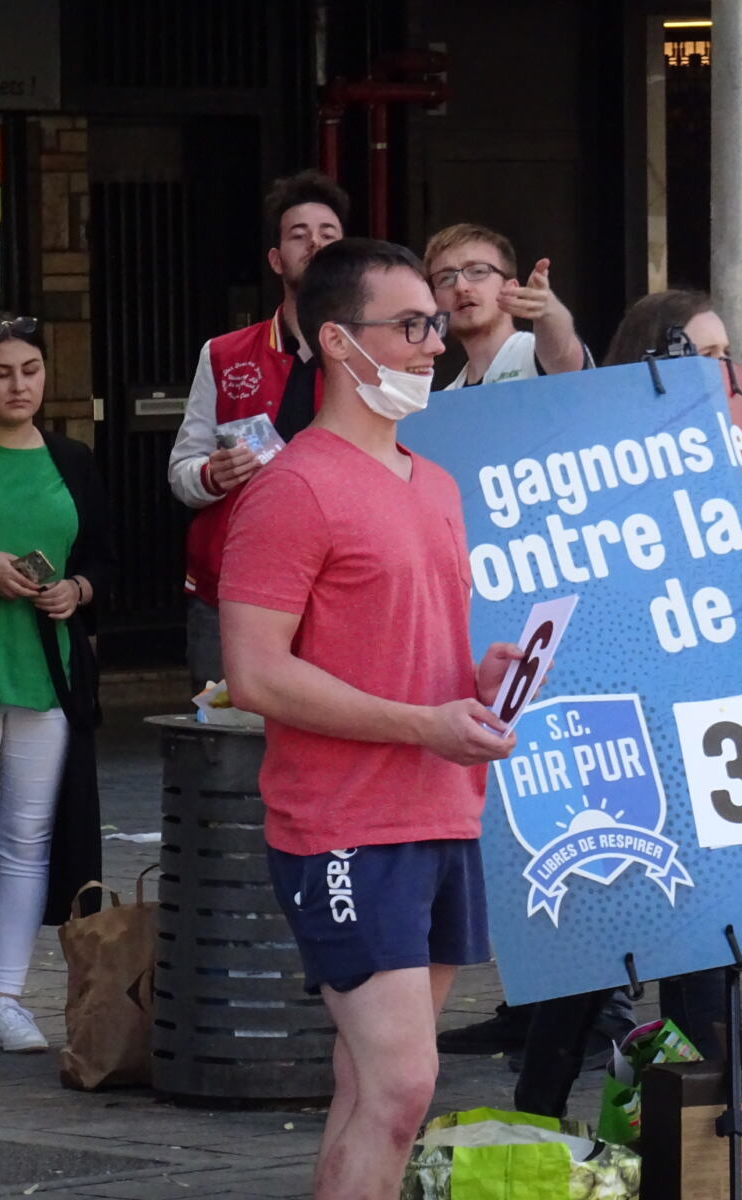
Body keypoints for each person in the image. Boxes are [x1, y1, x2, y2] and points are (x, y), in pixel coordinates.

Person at [219, 239, 527, 1200]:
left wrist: (477, 682)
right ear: (337, 342)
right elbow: (256, 675)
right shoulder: (292, 489)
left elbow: (398, 645)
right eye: (410, 325)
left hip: (440, 811)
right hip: (343, 825)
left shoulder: (431, 482)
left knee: (372, 1087)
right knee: (403, 1087)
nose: (433, 343)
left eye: (433, 322)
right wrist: (422, 724)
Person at [505, 289, 733, 1118]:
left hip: (704, 740)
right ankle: (536, 1121)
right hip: (619, 736)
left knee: (703, 956)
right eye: (706, 355)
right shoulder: (598, 460)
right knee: (589, 944)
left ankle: (699, 1143)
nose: (724, 371)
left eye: (726, 354)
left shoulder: (724, 458)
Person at [168, 169, 348, 693]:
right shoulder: (223, 353)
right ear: (276, 259)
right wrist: (211, 475)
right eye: (299, 234)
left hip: (336, 590)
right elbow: (181, 474)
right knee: (227, 755)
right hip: (228, 591)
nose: (314, 242)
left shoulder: (373, 356)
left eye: (328, 234)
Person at [0, 313, 115, 1053]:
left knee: (27, 840)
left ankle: (6, 997)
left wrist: (77, 589)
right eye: (3, 373)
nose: (18, 386)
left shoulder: (71, 458)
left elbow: (105, 557)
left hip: (48, 673)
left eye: (30, 371)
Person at [422, 223, 590, 388]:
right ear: (435, 302)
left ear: (511, 289)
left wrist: (549, 312)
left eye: (478, 271)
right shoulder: (449, 397)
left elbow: (562, 353)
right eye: (445, 278)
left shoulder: (534, 354)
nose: (461, 287)